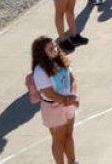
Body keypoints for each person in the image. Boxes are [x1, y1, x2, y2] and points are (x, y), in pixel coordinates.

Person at [30, 36, 78, 164]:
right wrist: (69, 100)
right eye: (51, 48)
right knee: (58, 139)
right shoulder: (40, 71)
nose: (55, 49)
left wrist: (73, 95)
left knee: (69, 134)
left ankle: (72, 162)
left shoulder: (61, 61)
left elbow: (72, 79)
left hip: (67, 104)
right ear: (42, 52)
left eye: (55, 46)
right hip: (53, 107)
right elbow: (49, 93)